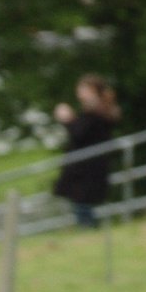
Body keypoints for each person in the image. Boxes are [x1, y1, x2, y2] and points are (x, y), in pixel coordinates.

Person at [52, 75, 122, 229]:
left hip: (87, 168)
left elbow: (80, 134)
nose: (80, 93)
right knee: (83, 203)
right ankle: (88, 230)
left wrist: (67, 119)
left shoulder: (95, 112)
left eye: (84, 89)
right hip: (89, 167)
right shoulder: (100, 111)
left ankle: (88, 230)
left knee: (83, 204)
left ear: (94, 91)